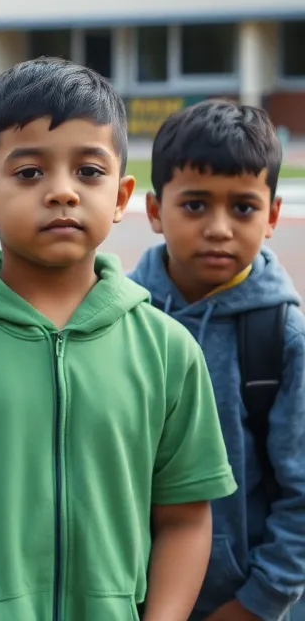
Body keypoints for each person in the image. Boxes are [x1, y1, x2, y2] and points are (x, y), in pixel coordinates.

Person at [0, 59, 237, 620]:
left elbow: (186, 517)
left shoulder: (168, 350)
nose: (63, 193)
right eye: (29, 173)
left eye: (89, 172)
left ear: (121, 197)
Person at [130, 100, 305, 621]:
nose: (220, 228)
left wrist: (258, 602)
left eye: (244, 208)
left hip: (242, 601)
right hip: (125, 595)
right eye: (196, 205)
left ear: (272, 216)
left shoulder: (282, 337)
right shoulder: (116, 317)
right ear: (156, 211)